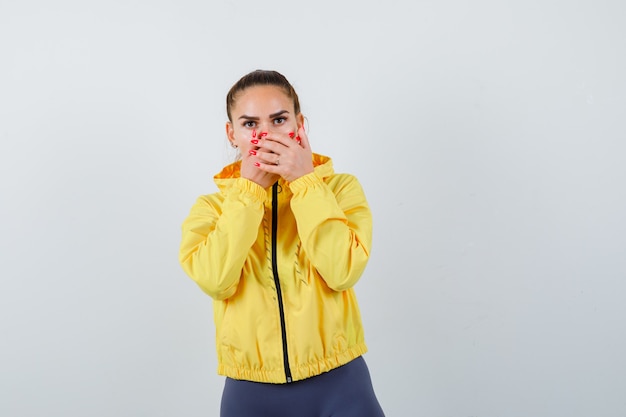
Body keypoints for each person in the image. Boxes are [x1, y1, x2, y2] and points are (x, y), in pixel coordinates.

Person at [179, 70, 385, 417]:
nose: (266, 135)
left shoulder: (340, 190)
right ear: (232, 134)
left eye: (278, 119)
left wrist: (306, 183)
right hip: (250, 393)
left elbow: (343, 271)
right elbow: (215, 280)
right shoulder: (211, 209)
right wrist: (247, 194)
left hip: (341, 384)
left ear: (300, 124)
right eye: (249, 124)